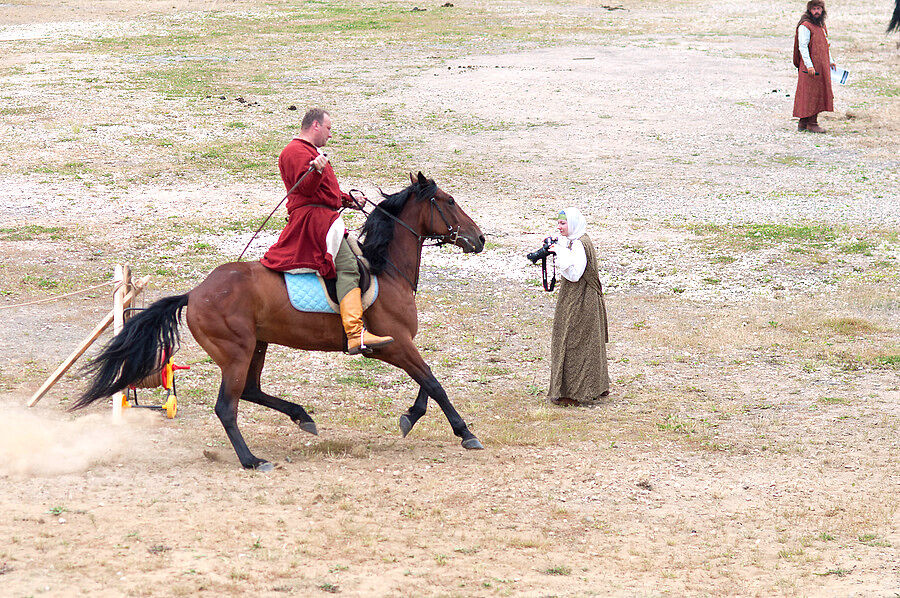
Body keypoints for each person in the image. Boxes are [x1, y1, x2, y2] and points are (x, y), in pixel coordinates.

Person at [260, 108, 393, 354]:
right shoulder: (295, 151)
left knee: (356, 256)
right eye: (329, 129)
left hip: (324, 218)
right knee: (348, 266)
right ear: (315, 126)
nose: (330, 135)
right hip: (314, 223)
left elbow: (324, 193)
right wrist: (318, 169)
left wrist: (347, 200)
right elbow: (307, 190)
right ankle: (355, 334)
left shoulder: (311, 153)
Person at [546, 207, 610, 407]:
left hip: (582, 299)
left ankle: (574, 391)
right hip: (574, 297)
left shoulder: (581, 244)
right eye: (559, 223)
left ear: (572, 224)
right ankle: (588, 387)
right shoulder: (575, 240)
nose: (560, 227)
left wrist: (560, 253)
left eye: (563, 223)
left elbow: (575, 274)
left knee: (574, 341)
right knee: (581, 341)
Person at [793, 0, 835, 133]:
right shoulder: (805, 26)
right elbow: (803, 47)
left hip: (821, 66)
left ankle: (803, 123)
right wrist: (809, 66)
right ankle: (812, 123)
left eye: (819, 9)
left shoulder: (821, 25)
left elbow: (825, 45)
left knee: (817, 92)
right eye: (814, 9)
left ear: (823, 10)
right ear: (809, 10)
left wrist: (831, 61)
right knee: (810, 93)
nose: (817, 11)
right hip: (810, 67)